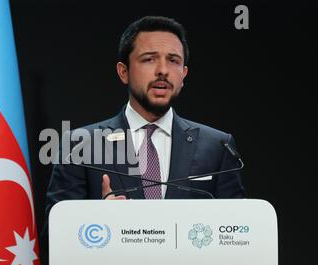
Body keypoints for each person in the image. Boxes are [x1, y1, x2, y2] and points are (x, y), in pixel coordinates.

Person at [46, 16, 245, 212]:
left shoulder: (218, 146)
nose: (163, 70)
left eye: (173, 60)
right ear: (123, 71)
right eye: (149, 59)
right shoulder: (80, 145)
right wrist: (98, 220)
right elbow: (54, 235)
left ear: (183, 74)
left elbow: (239, 230)